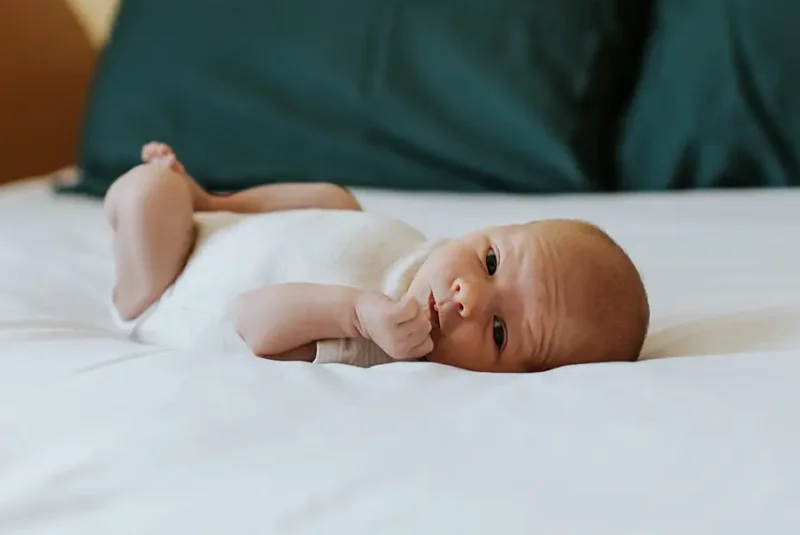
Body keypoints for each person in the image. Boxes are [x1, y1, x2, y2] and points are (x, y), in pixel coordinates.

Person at [105, 143, 650, 372]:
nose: (470, 297)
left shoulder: (383, 344)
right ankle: (212, 200)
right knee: (339, 200)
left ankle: (131, 290)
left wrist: (357, 314)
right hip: (222, 230)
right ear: (487, 231)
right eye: (489, 262)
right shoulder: (417, 250)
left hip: (175, 283)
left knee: (148, 192)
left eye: (500, 332)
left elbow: (250, 319)